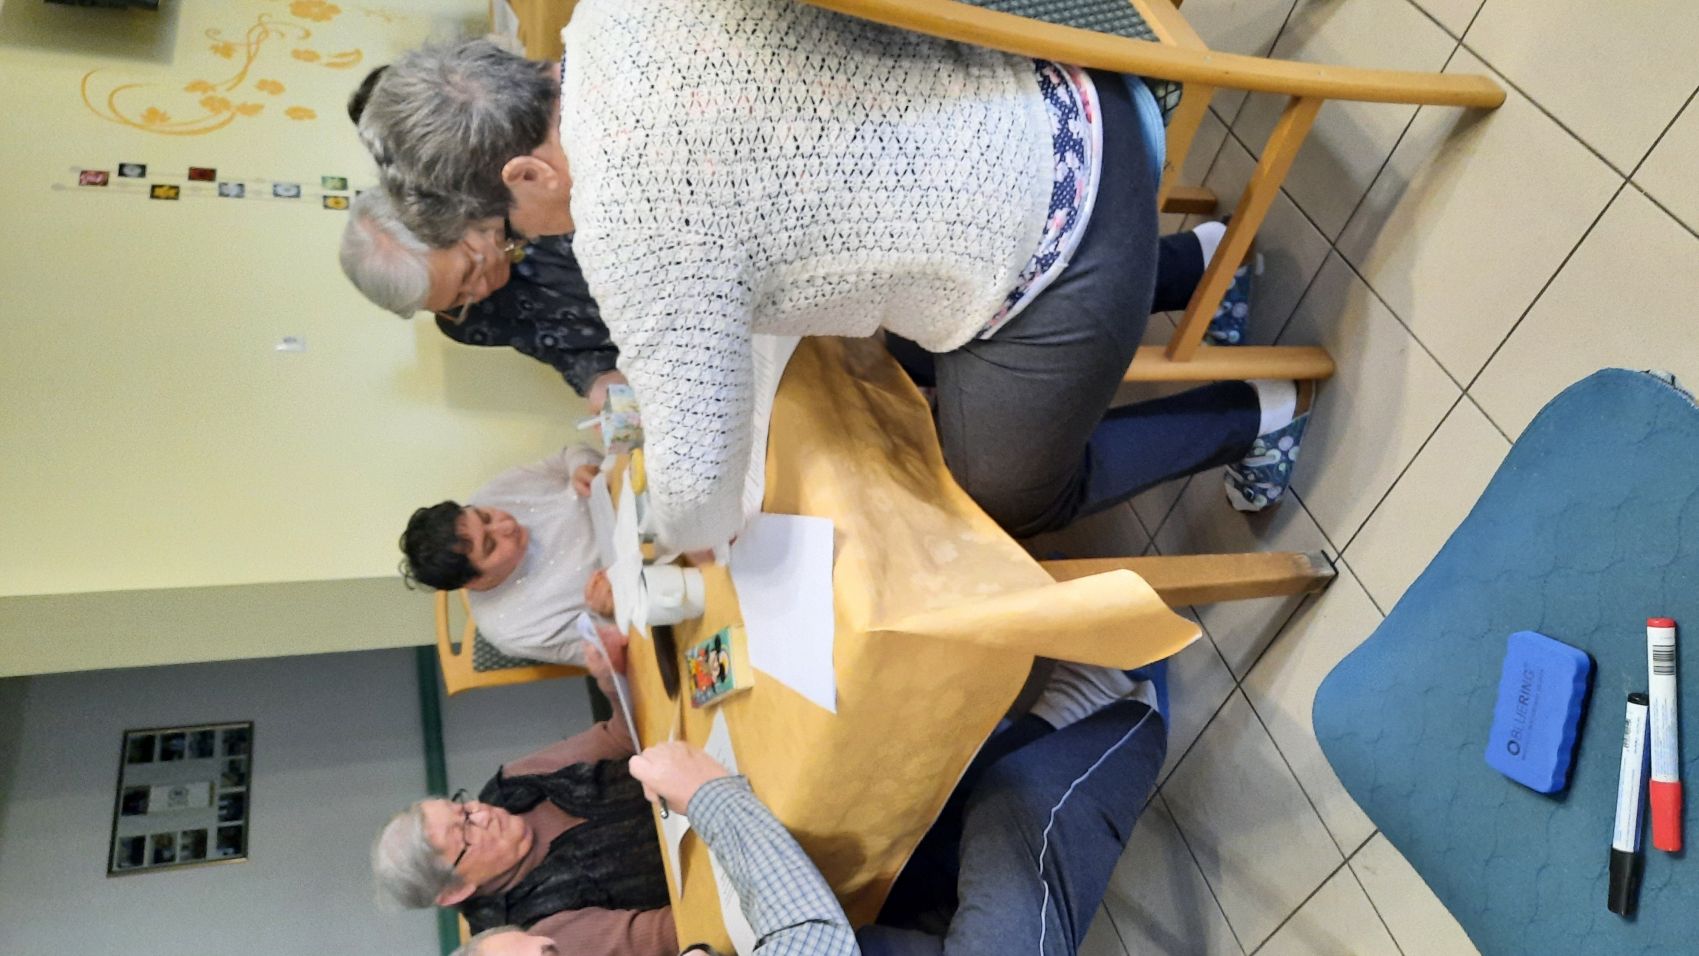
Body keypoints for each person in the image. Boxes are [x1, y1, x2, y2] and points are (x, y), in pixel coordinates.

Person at [354, 1, 1315, 554]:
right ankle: (1202, 264)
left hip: (1066, 239)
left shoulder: (626, 230)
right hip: (1075, 65)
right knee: (900, 345)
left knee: (1000, 499)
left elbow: (698, 501)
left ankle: (1258, 412)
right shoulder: (615, 9)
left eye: (509, 230)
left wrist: (660, 532)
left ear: (526, 175)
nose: (527, 243)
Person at [372, 631, 677, 955]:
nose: (482, 813)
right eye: (465, 832)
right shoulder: (530, 936)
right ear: (456, 892)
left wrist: (610, 679)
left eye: (462, 808)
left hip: (696, 766)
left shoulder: (512, 785)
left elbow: (621, 738)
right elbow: (673, 932)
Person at [338, 189, 627, 408]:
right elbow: (561, 347)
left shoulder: (532, 189)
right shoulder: (469, 320)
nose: (478, 293)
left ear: (456, 217)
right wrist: (598, 381)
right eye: (456, 300)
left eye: (467, 272)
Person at [399, 443, 613, 665]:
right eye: (490, 545)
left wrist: (580, 467)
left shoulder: (492, 493)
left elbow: (570, 453)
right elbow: (614, 657)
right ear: (475, 582)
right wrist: (610, 614)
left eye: (485, 517)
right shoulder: (512, 630)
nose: (507, 526)